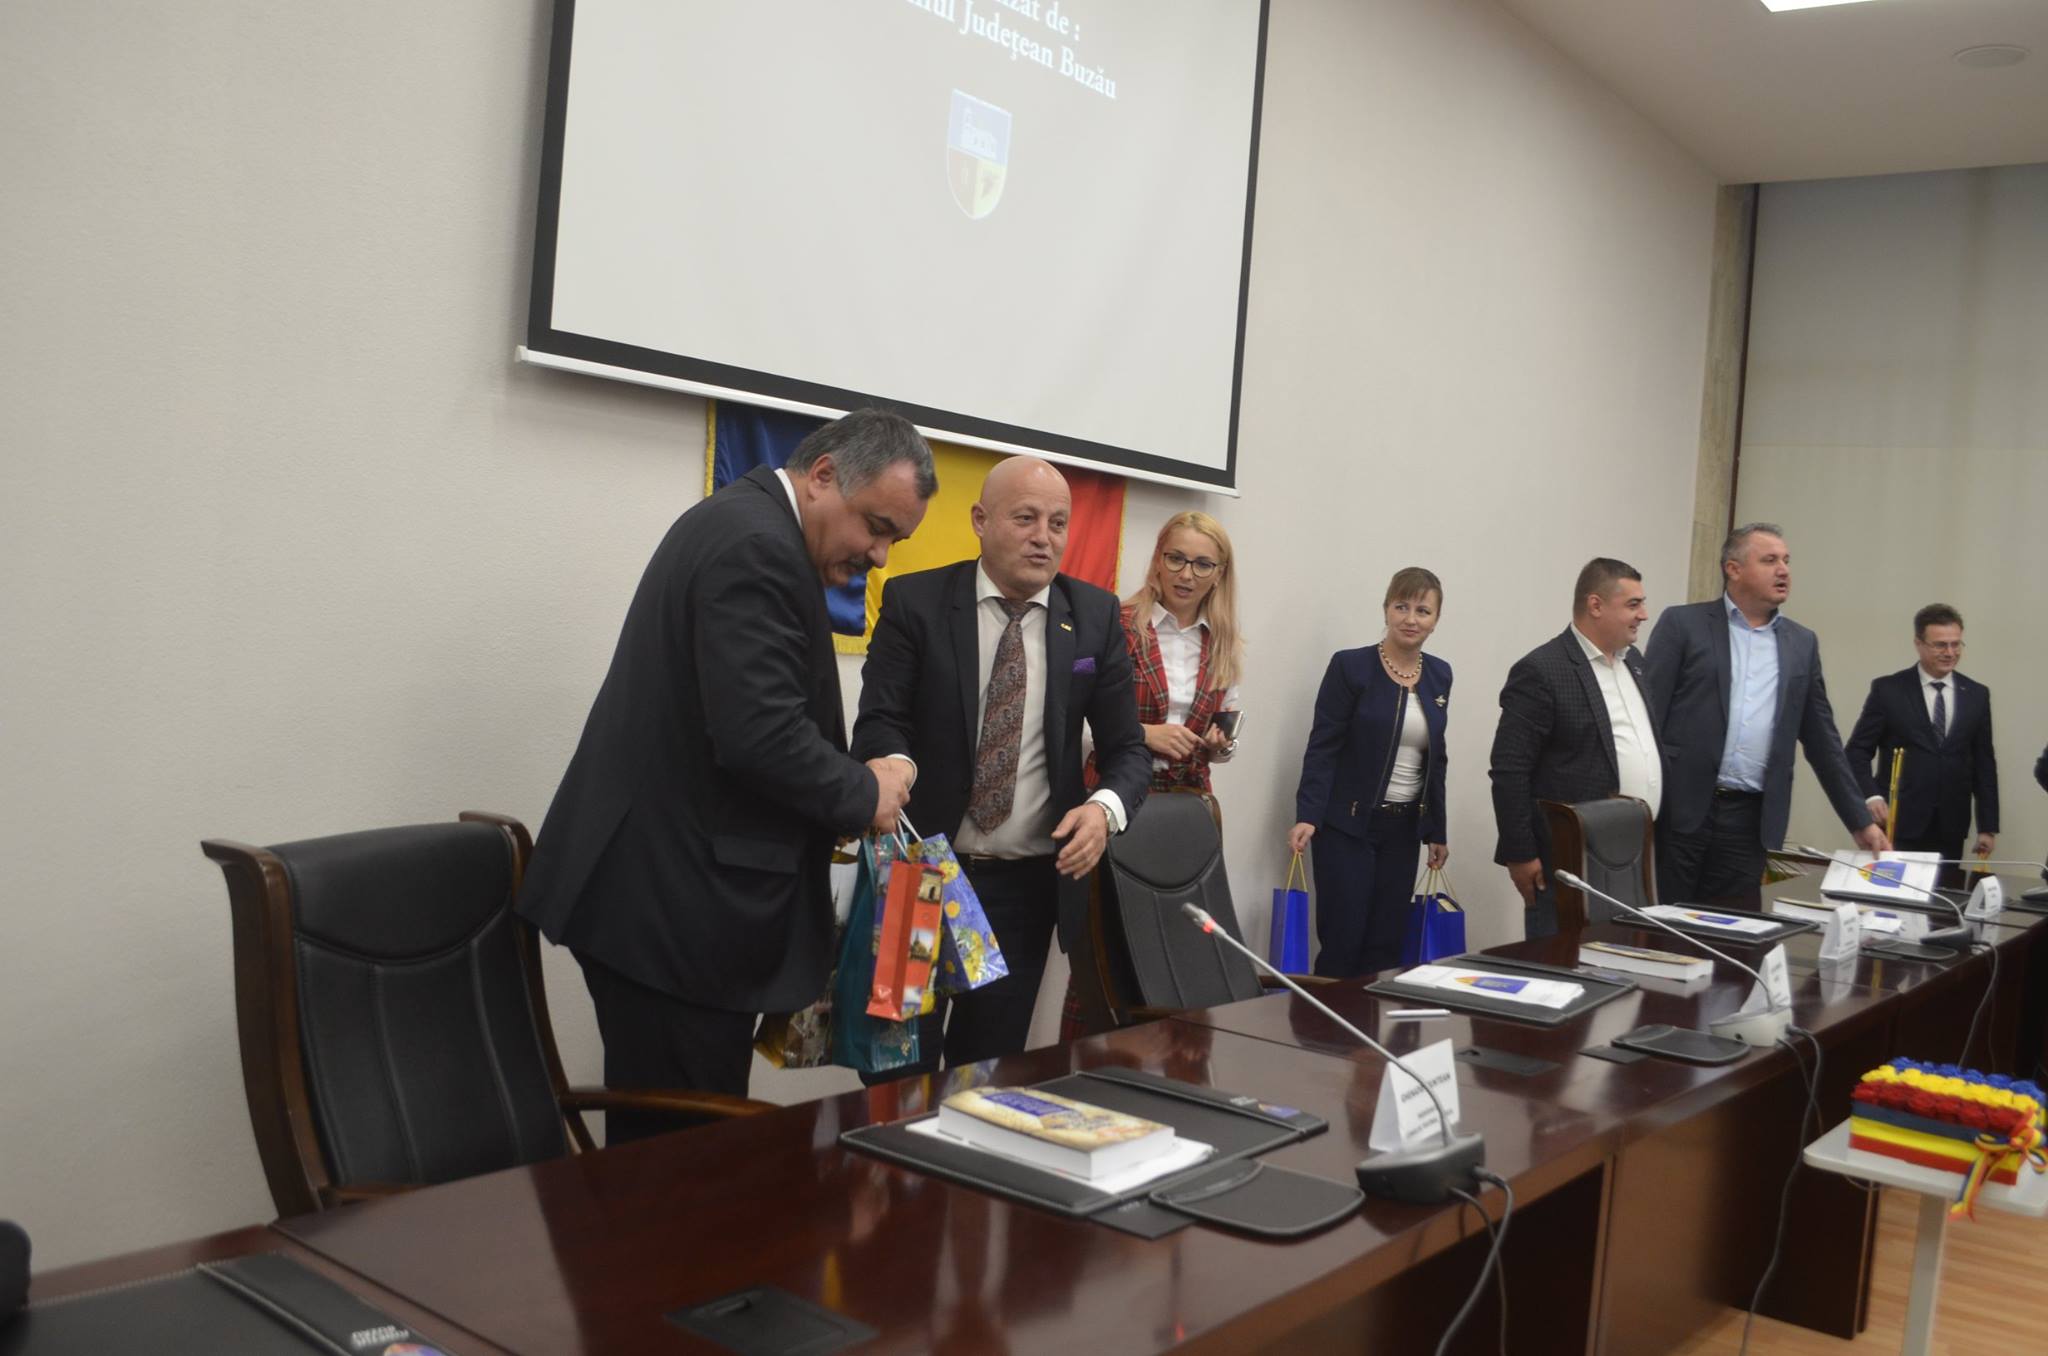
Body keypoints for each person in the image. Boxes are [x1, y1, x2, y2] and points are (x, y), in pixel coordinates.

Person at [516, 409, 935, 1140]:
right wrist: (865, 792)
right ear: (824, 475)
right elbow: (760, 736)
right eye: (876, 527)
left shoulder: (750, 525)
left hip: (674, 903)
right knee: (677, 1166)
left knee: (675, 1161)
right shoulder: (757, 545)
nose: (878, 555)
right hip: (674, 912)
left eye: (894, 540)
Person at [852, 455, 1151, 1077]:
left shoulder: (1093, 617)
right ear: (980, 520)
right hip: (920, 874)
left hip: (1025, 890)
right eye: (1026, 518)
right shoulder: (916, 601)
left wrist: (1104, 811)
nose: (1044, 537)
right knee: (895, 1072)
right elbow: (880, 719)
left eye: (1058, 523)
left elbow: (1127, 750)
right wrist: (896, 766)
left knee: (984, 1078)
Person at [1642, 522, 1887, 909]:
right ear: (1734, 569)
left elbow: (1823, 741)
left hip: (1749, 821)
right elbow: (1648, 715)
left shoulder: (1801, 643)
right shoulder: (1683, 624)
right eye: (1770, 560)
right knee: (1663, 926)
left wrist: (1860, 819)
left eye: (1786, 560)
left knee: (1732, 930)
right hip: (1679, 810)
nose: (1783, 570)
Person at [1486, 559, 1664, 938]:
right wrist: (1520, 853)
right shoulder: (1543, 670)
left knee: (1629, 962)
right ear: (1596, 605)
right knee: (1564, 962)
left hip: (1635, 856)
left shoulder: (1635, 664)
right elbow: (1509, 769)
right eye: (1633, 604)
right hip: (1570, 858)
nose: (1644, 615)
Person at [1289, 568, 1450, 976]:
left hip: (1404, 830)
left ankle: (1375, 1019)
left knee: (1386, 946)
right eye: (1401, 606)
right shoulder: (1351, 667)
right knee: (1343, 942)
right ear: (1386, 609)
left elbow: (1436, 757)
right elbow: (1323, 745)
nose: (1411, 619)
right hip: (1347, 826)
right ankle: (1327, 1020)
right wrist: (1308, 813)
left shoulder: (1439, 675)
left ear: (1436, 620)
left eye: (1423, 610)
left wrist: (1437, 829)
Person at [1843, 604, 1998, 885]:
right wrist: (1871, 796)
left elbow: (1984, 763)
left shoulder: (1976, 694)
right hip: (1899, 822)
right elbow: (1856, 752)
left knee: (1944, 898)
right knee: (1896, 897)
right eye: (1940, 645)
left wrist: (1988, 826)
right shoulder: (1889, 690)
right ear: (1919, 643)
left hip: (1951, 825)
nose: (1950, 652)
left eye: (1956, 644)